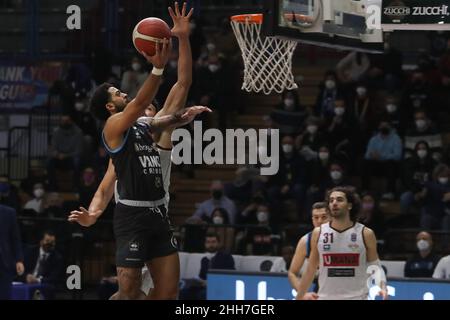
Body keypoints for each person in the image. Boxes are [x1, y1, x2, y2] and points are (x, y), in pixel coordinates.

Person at [68, 3, 206, 300]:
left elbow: (184, 82)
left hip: (158, 212)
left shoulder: (153, 127)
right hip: (131, 216)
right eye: (120, 94)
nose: (130, 97)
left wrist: (183, 38)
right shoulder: (115, 129)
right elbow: (105, 189)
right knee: (129, 295)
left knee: (165, 294)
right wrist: (93, 214)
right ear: (111, 108)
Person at [296, 186, 388, 300]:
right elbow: (311, 269)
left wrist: (383, 287)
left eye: (339, 200)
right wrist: (299, 297)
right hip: (325, 297)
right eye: (331, 200)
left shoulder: (366, 233)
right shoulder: (318, 233)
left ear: (349, 205)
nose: (334, 203)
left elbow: (374, 264)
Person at [179, 232, 235, 300]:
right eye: (208, 242)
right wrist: (197, 281)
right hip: (204, 287)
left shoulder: (226, 257)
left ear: (218, 243)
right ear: (205, 244)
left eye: (213, 242)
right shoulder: (204, 260)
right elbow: (201, 277)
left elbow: (231, 276)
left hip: (218, 287)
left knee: (203, 294)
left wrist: (211, 283)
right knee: (183, 292)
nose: (210, 244)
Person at [288, 202, 330, 291]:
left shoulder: (344, 237)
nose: (319, 221)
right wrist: (303, 293)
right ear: (312, 219)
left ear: (331, 217)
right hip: (320, 289)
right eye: (316, 217)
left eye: (324, 217)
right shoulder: (305, 241)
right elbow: (292, 273)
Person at [21, 230, 63, 299]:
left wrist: (37, 280)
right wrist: (26, 276)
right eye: (47, 241)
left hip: (44, 287)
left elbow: (54, 278)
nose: (49, 244)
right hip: (26, 283)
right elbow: (21, 270)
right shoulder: (30, 251)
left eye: (52, 242)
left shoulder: (57, 258)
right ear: (41, 242)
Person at [0, 204, 24, 300]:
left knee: (4, 295)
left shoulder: (9, 212)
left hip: (4, 263)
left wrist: (19, 260)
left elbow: (15, 238)